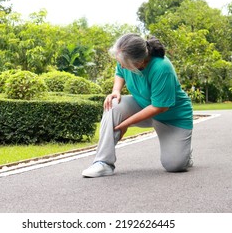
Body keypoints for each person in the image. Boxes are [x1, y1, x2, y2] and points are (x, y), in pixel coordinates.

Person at [82, 33, 193, 178]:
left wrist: (125, 124)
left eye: (124, 63)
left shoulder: (162, 68)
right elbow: (119, 72)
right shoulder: (126, 57)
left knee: (175, 165)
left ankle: (184, 152)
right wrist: (116, 91)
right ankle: (103, 163)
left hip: (172, 117)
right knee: (113, 104)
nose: (121, 65)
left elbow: (159, 107)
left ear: (140, 62)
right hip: (141, 105)